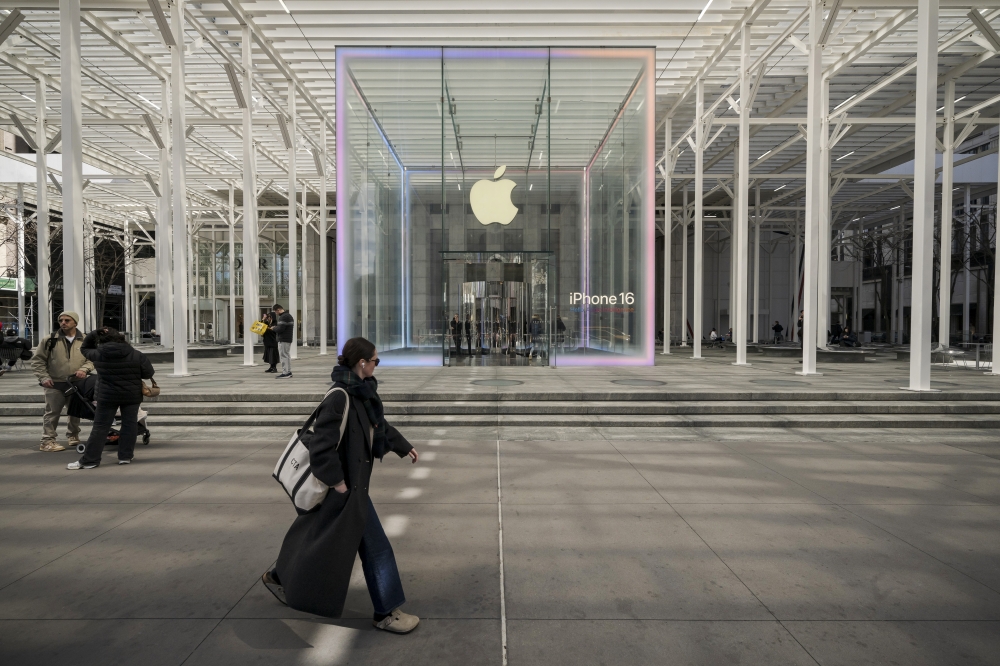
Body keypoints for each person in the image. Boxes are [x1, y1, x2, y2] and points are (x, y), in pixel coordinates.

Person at [265, 337, 420, 634]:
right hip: (346, 490)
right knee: (377, 550)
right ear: (361, 363)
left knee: (314, 540)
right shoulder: (339, 396)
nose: (377, 364)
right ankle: (387, 613)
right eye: (375, 360)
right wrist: (338, 484)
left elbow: (378, 426)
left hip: (352, 489)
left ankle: (280, 576)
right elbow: (321, 448)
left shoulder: (361, 392)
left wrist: (403, 446)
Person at [68, 327, 154, 469]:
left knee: (101, 427)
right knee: (129, 424)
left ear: (101, 340)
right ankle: (125, 456)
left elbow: (84, 347)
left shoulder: (97, 354)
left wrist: (95, 333)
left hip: (107, 395)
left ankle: (90, 460)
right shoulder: (136, 354)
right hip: (131, 395)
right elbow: (148, 373)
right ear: (121, 338)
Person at [31, 312, 94, 453]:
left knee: (75, 412)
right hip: (54, 383)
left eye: (67, 320)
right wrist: (44, 377)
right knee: (52, 412)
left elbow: (92, 359)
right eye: (61, 320)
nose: (63, 322)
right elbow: (37, 361)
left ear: (75, 323)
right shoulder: (50, 340)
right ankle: (47, 441)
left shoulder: (85, 340)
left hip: (77, 383)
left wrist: (84, 369)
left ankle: (73, 435)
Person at [271, 304, 294, 378]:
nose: (276, 313)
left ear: (278, 310)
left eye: (275, 312)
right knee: (287, 355)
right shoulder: (288, 316)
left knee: (283, 356)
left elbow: (280, 329)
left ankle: (285, 372)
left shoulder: (283, 317)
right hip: (287, 338)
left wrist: (273, 328)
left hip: (283, 339)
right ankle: (288, 371)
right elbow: (282, 327)